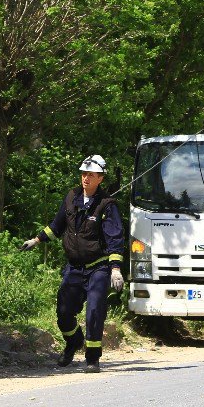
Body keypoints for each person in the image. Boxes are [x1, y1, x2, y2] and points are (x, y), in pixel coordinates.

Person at [20, 155, 125, 372]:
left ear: (101, 179)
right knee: (64, 311)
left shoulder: (107, 205)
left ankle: (92, 358)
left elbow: (114, 238)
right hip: (74, 267)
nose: (86, 178)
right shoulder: (71, 197)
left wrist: (115, 270)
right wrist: (36, 240)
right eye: (84, 174)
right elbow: (57, 225)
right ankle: (73, 341)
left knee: (94, 310)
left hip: (98, 267)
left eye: (91, 175)